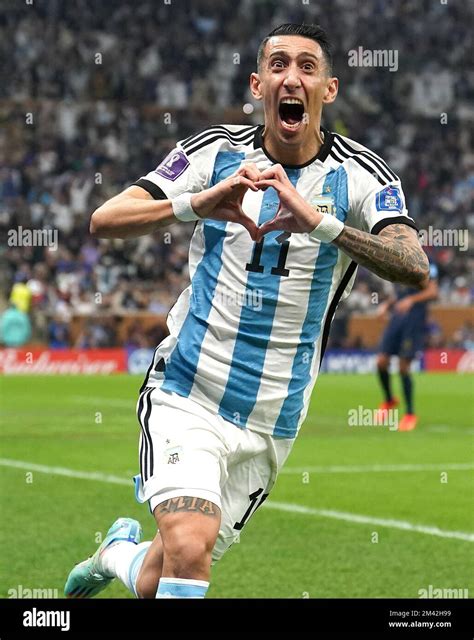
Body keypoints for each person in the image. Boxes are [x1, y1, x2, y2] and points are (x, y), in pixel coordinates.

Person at [64, 23, 429, 600]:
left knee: (165, 572)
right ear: (258, 85)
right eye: (279, 65)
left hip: (273, 416)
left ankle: (114, 554)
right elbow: (105, 220)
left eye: (308, 67)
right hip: (190, 387)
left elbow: (414, 263)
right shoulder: (212, 153)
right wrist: (196, 203)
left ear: (328, 90)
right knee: (189, 546)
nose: (293, 77)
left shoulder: (362, 176)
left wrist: (322, 224)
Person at [375, 262, 439, 431]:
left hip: (414, 320)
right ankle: (389, 400)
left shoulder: (428, 262)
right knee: (381, 361)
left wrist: (411, 300)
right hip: (398, 318)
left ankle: (410, 414)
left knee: (403, 366)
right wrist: (386, 305)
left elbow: (433, 292)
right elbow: (400, 294)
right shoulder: (399, 258)